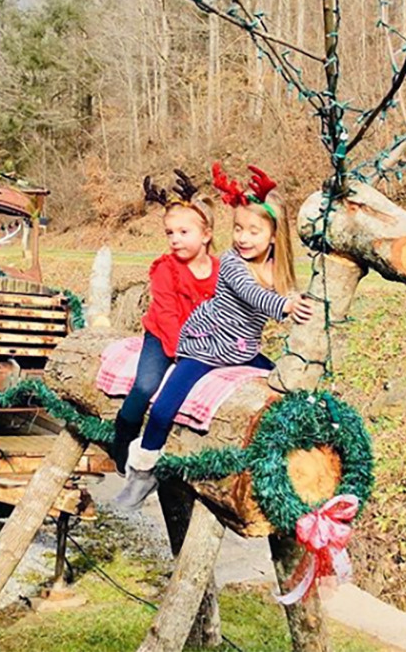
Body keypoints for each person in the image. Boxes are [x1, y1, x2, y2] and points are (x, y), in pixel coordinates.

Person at [114, 163, 314, 510]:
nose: (242, 238)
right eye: (238, 229)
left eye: (253, 231)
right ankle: (142, 470)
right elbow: (257, 298)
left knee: (280, 381)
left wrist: (303, 305)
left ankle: (295, 450)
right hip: (206, 344)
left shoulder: (275, 269)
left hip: (240, 348)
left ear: (273, 235)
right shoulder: (233, 263)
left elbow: (287, 297)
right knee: (163, 408)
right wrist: (285, 305)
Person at [110, 170, 219, 474]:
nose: (175, 240)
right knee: (146, 385)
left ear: (206, 234)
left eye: (184, 233)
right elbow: (169, 316)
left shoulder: (221, 271)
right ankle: (122, 440)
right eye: (170, 233)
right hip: (162, 336)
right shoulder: (165, 269)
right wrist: (185, 354)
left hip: (203, 339)